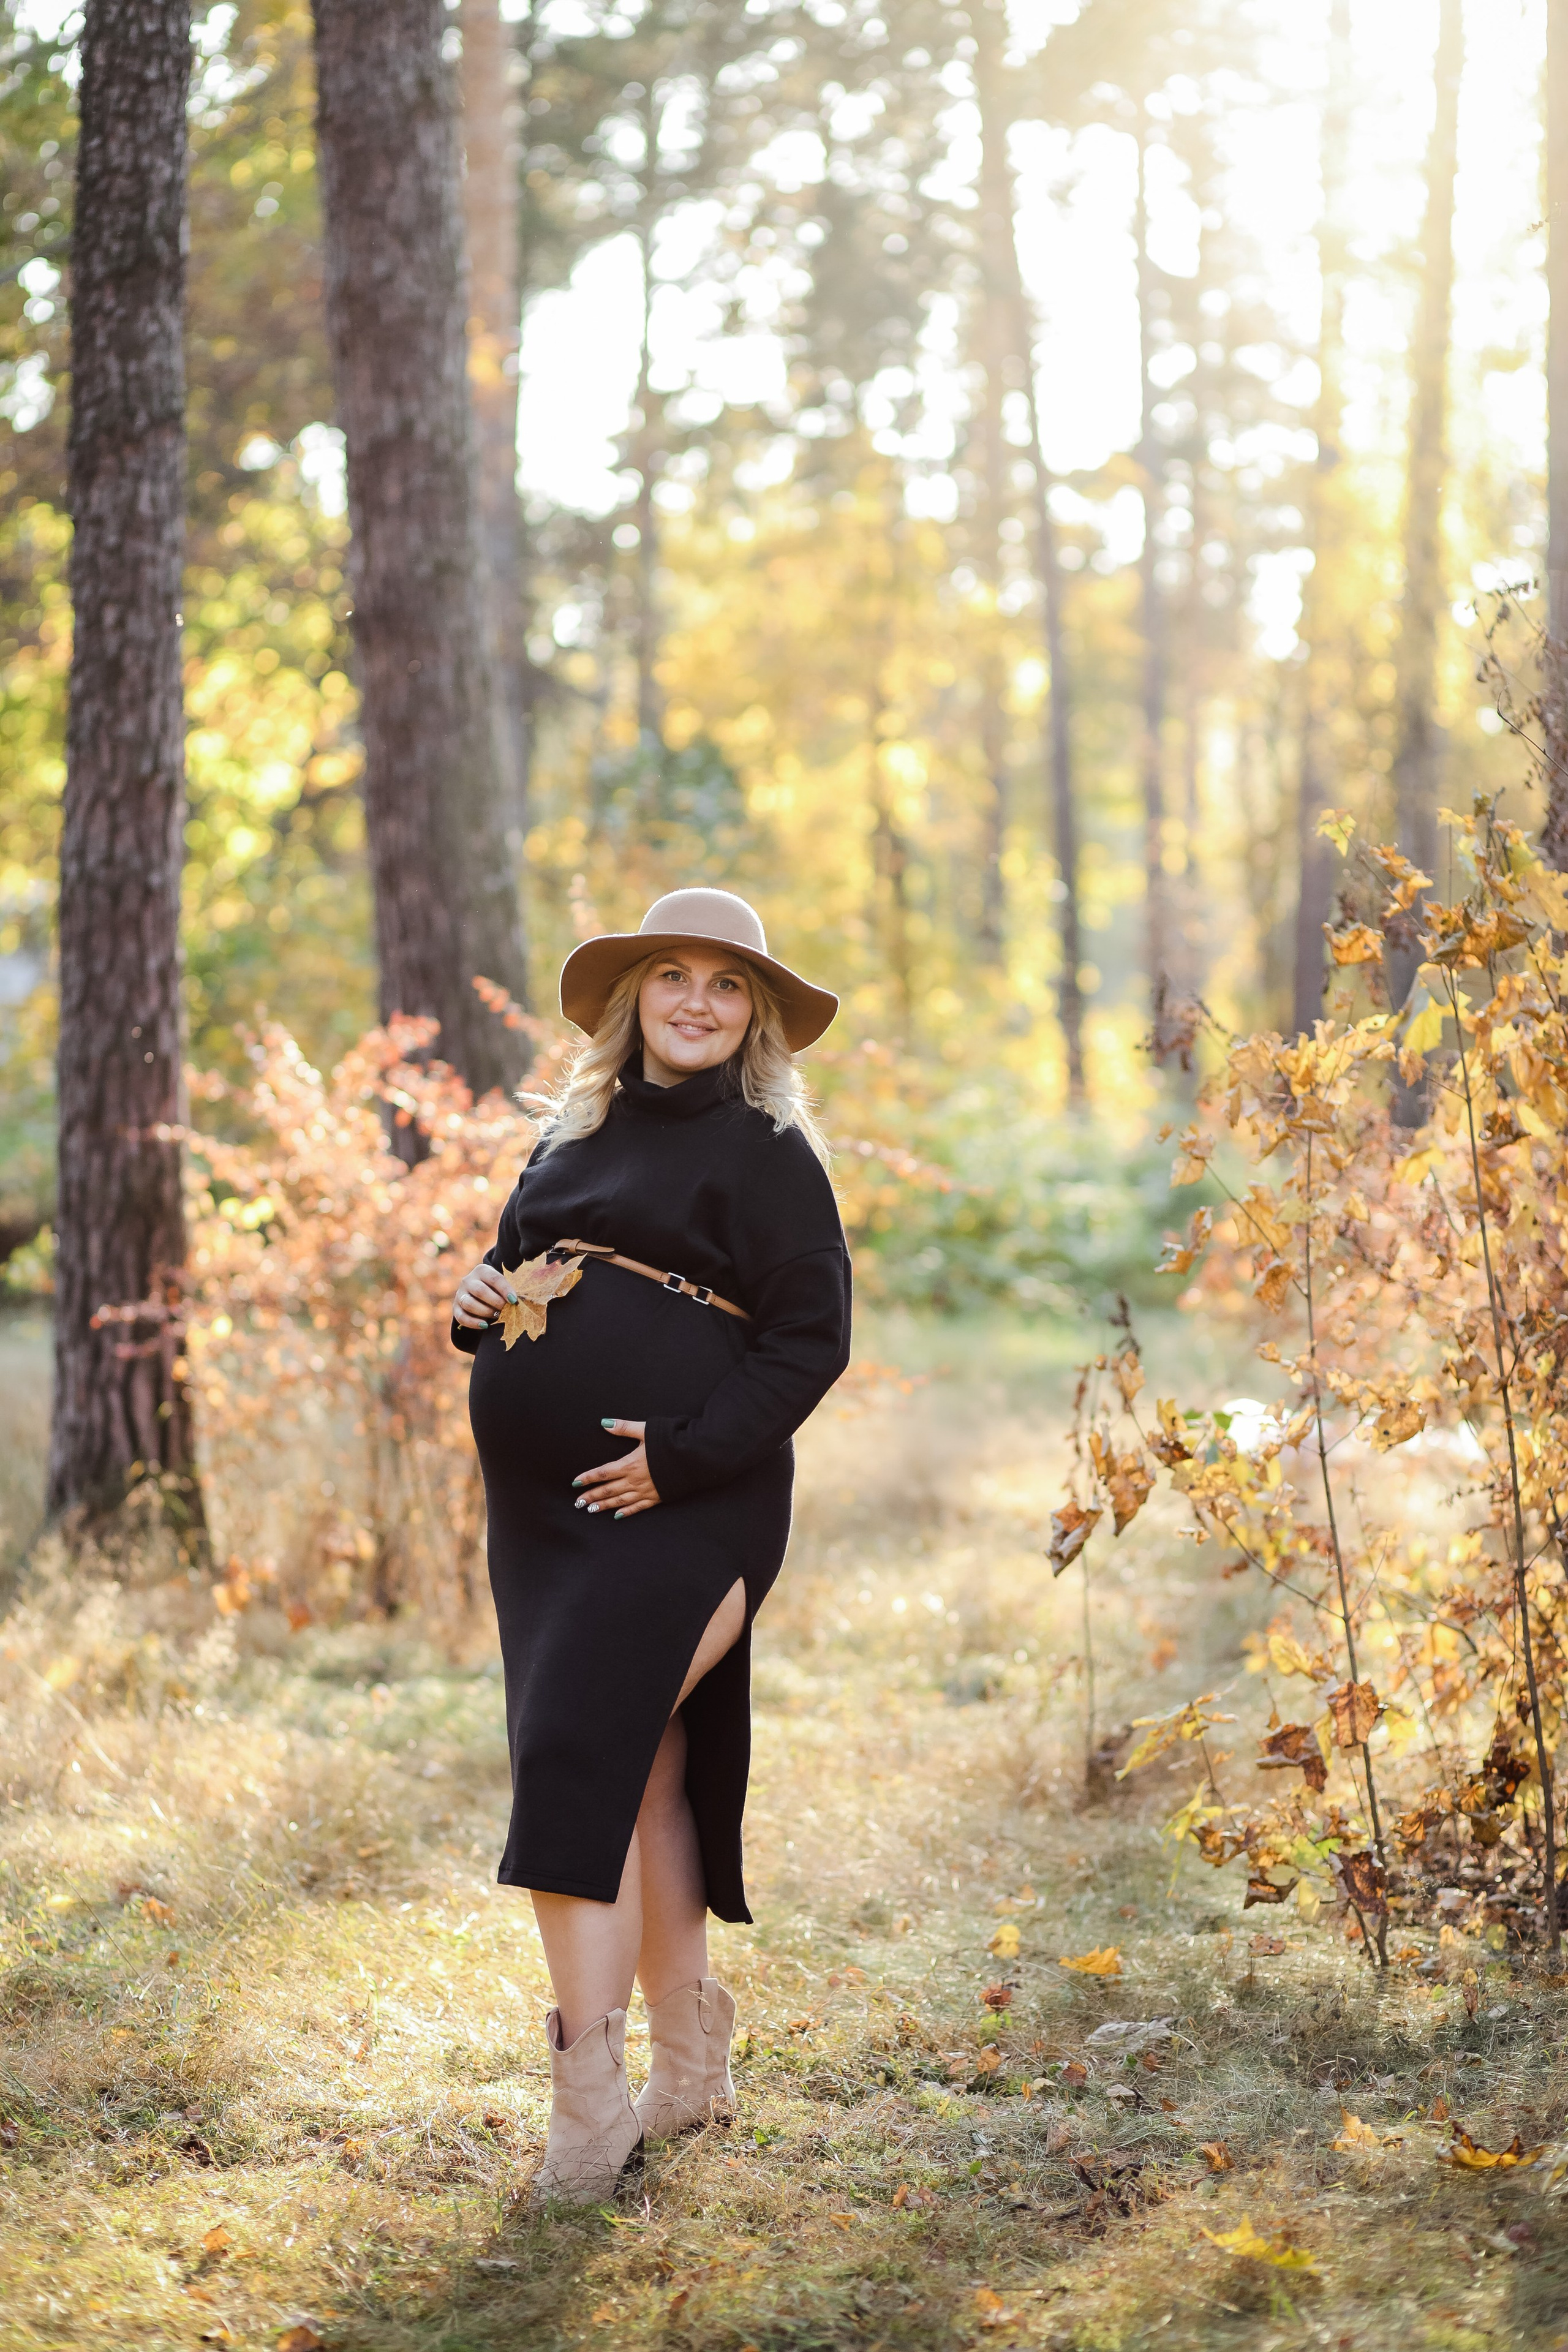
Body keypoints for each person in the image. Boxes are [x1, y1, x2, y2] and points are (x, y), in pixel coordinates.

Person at [450, 887, 851, 2206]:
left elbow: (808, 1341)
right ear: (633, 1000)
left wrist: (678, 1457)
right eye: (670, 976)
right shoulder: (572, 1136)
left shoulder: (766, 1151)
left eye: (724, 984)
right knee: (645, 1770)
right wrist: (477, 1301)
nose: (693, 1000)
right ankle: (682, 2074)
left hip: (687, 1502)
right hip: (542, 1521)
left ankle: (586, 2116)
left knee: (574, 1753)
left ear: (753, 1019)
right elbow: (515, 1276)